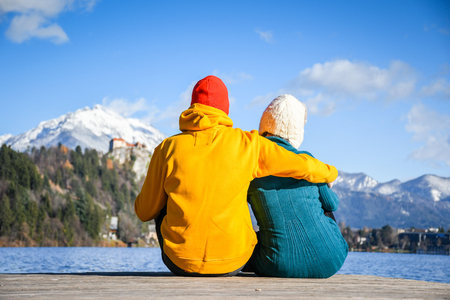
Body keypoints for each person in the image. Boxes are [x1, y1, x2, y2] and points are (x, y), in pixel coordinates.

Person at [134, 76, 338, 276]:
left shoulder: (166, 148)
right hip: (233, 262)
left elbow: (144, 212)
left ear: (192, 106)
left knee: (161, 206)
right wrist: (331, 172)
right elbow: (302, 165)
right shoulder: (248, 143)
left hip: (179, 262)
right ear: (225, 108)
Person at [245, 94, 348, 278]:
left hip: (275, 264)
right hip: (332, 258)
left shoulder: (252, 166)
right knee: (323, 206)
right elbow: (332, 205)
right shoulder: (308, 163)